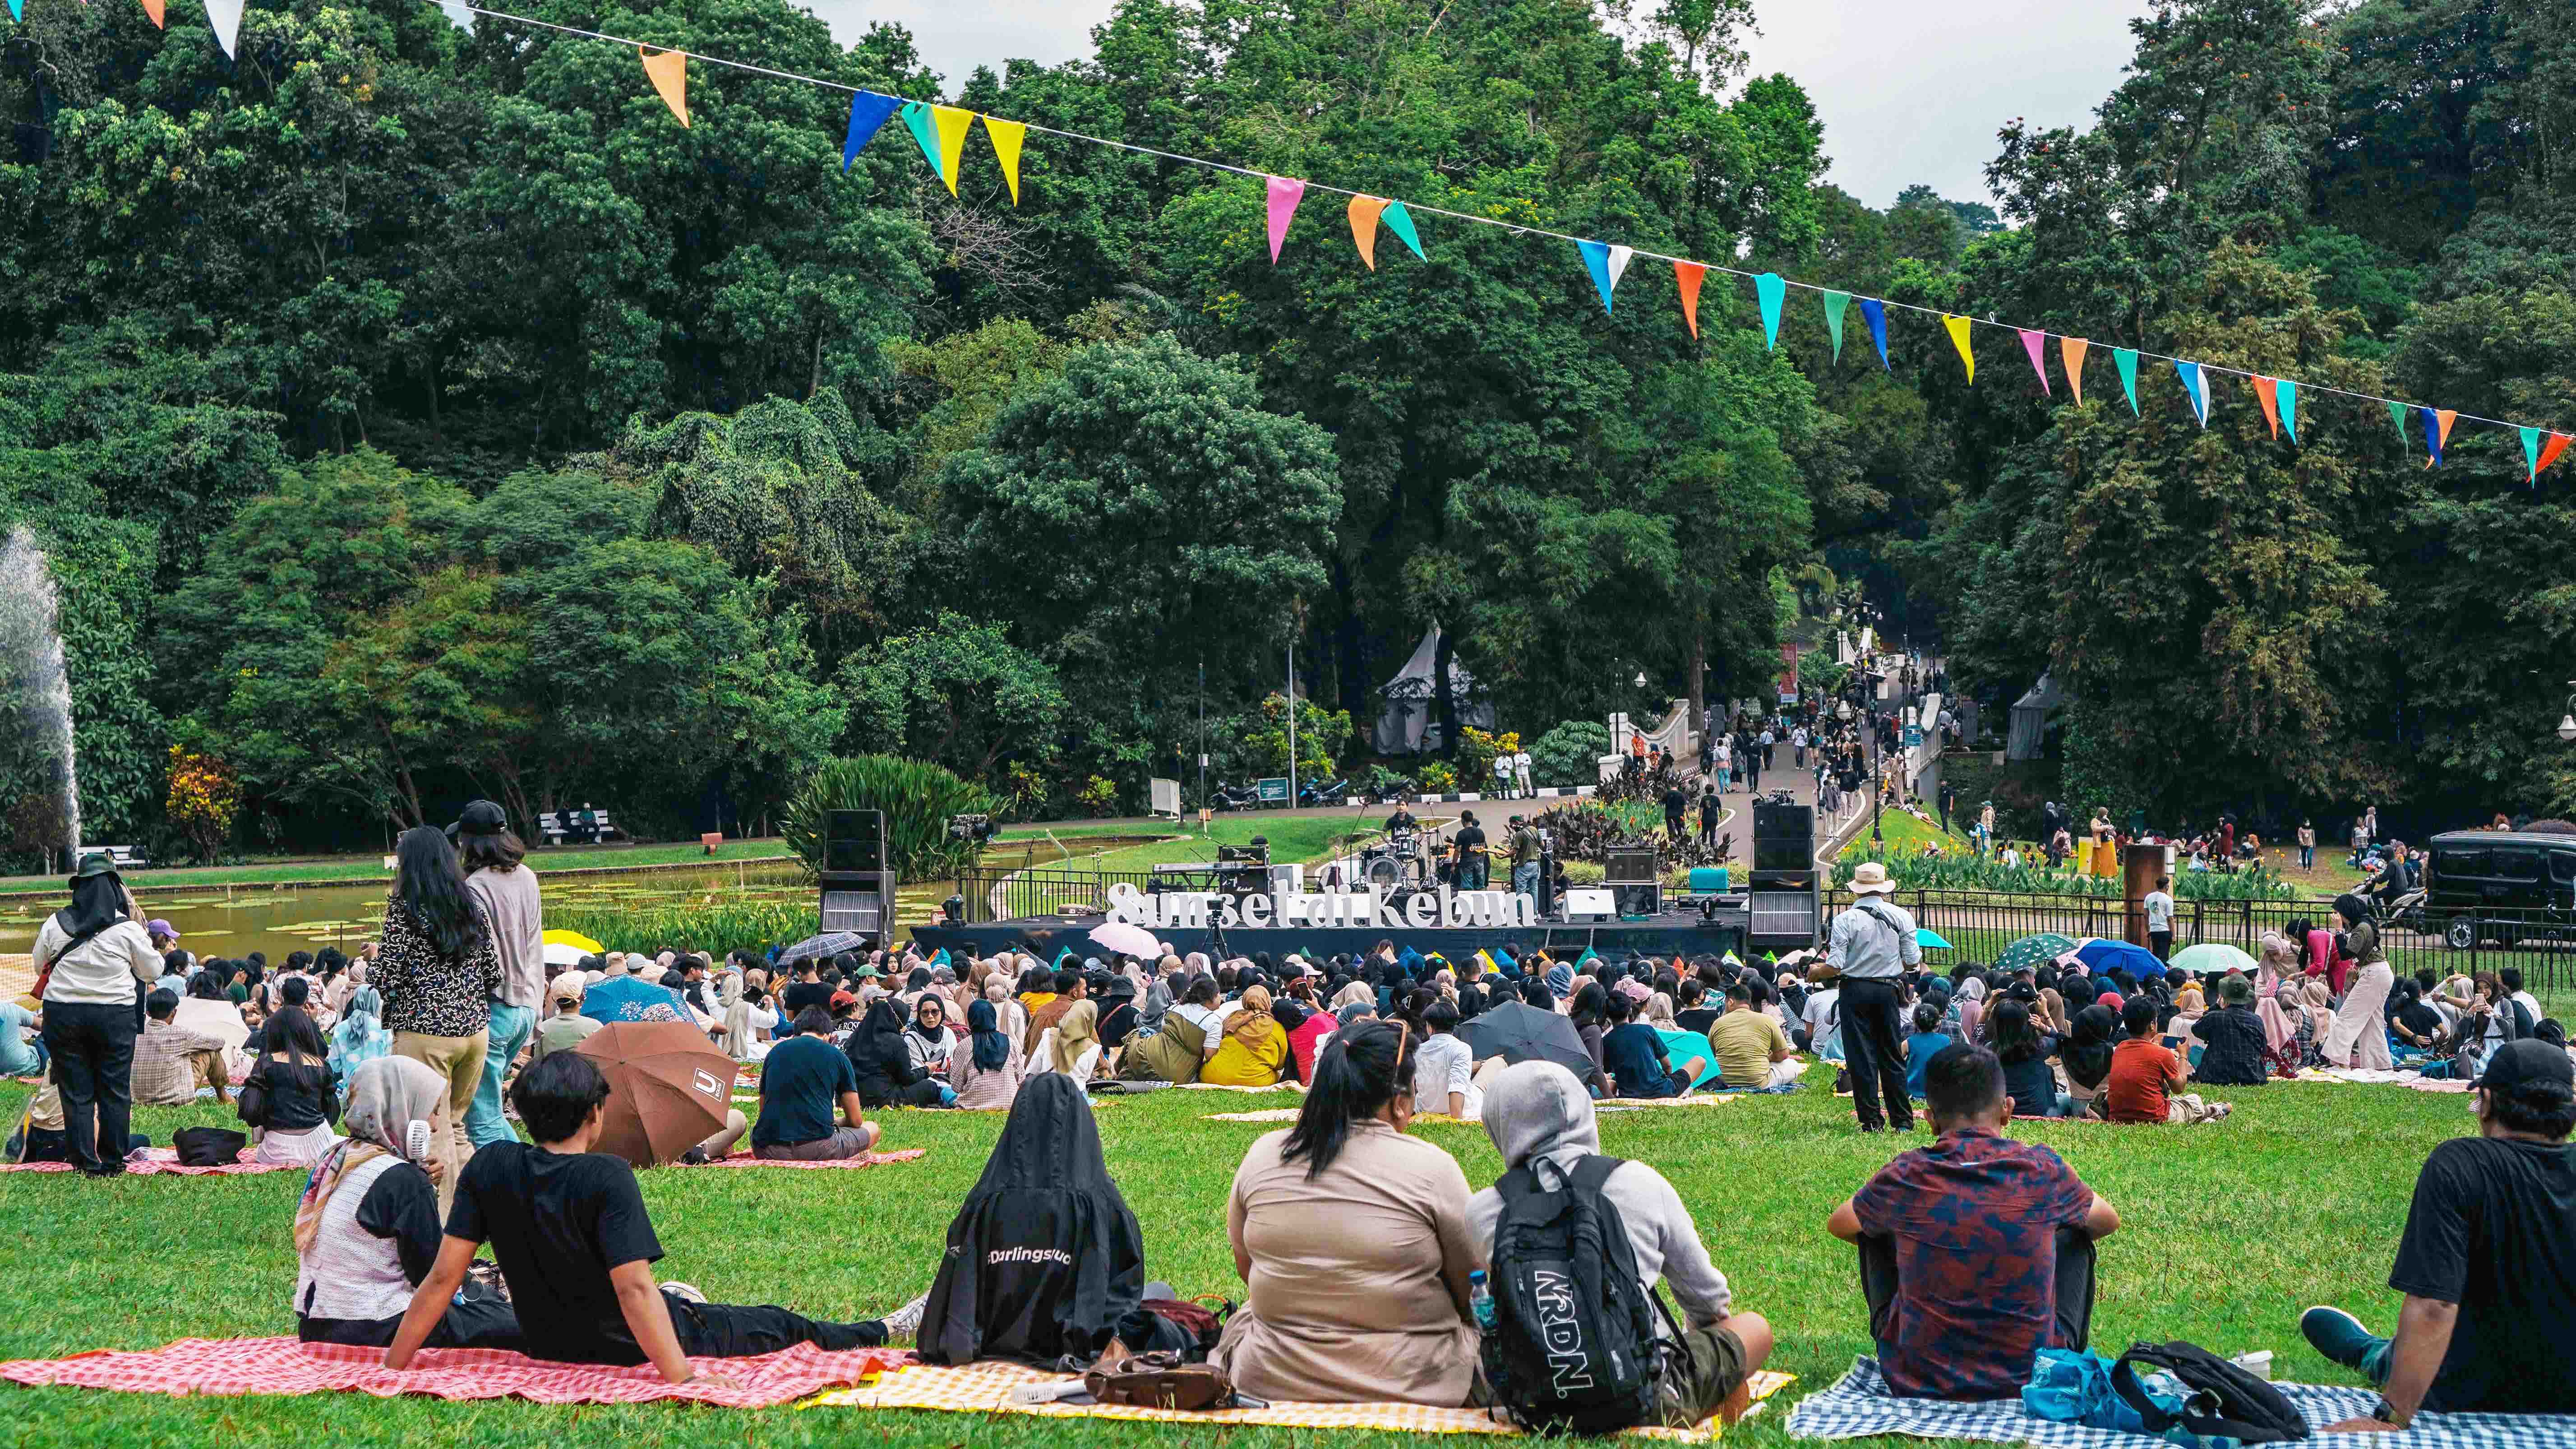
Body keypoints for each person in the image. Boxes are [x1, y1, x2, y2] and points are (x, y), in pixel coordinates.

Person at [385, 1052, 901, 1385]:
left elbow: (443, 1277)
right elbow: (633, 1289)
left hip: (546, 1340)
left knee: (684, 1301)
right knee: (776, 1323)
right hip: (623, 1344)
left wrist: (394, 1365)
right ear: (594, 1114)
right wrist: (680, 1375)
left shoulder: (491, 1164)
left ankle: (684, 1301)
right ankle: (880, 1327)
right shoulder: (606, 1176)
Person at [1468, 1062, 1776, 1427]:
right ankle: (1710, 1417)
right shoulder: (1639, 1181)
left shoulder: (1483, 1210)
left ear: (1497, 1126)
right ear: (1583, 1111)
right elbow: (1709, 1301)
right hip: (1645, 1398)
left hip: (1534, 1403)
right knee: (1753, 1327)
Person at [2297, 1039, 2576, 1426]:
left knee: (2392, 1355)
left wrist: (2392, 1416)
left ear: (2489, 1103)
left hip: (2464, 1391)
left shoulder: (2460, 1164)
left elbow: (2435, 1306)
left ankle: (2370, 1352)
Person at [1826, 1044, 2120, 1399]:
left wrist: (1910, 1241)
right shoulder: (2041, 1169)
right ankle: (2062, 1354)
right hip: (2035, 1376)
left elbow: (1841, 1223)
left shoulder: (1905, 1175)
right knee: (2076, 1234)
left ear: (1930, 1118)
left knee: (1873, 1229)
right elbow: (2106, 1220)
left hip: (1917, 1376)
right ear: (2007, 1111)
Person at [1212, 1021, 1481, 1406]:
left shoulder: (1264, 1154)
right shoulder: (1434, 1170)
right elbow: (1473, 1291)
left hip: (1271, 1377)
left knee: (1244, 1318)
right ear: (1401, 1100)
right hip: (1417, 1383)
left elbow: (1247, 1269)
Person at [917, 1074, 1154, 1366]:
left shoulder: (985, 1200)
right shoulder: (1102, 1201)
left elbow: (957, 1284)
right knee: (1159, 1295)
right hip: (1068, 1343)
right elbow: (1126, 1283)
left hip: (992, 1341)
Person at [293, 1057, 520, 1349]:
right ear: (403, 1108)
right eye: (432, 1111)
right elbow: (431, 1276)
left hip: (318, 1325)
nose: (436, 1125)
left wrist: (421, 1183)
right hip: (377, 1325)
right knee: (515, 1321)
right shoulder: (404, 1180)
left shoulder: (337, 1157)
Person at [374, 826, 503, 1212]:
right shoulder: (472, 906)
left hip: (425, 1032)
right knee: (456, 1126)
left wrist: (371, 968)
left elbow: (386, 976)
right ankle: (475, 1219)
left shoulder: (405, 910)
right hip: (475, 1033)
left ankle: (441, 1226)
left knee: (427, 1128)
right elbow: (493, 973)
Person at [32, 853, 161, 1176]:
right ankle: (113, 1161)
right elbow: (153, 969)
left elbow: (39, 965)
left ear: (78, 889)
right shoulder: (127, 929)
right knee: (115, 1090)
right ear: (114, 889)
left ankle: (85, 1162)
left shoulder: (55, 923)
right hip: (114, 1017)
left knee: (75, 1091)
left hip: (63, 1016)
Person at [453, 801, 544, 1155]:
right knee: (484, 1107)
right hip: (527, 1008)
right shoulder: (528, 876)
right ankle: (522, 1169)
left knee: (482, 1118)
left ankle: (525, 1178)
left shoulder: (474, 887)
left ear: (470, 842)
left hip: (496, 1009)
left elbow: (480, 957)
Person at [1826, 862, 1921, 1132]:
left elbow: (1835, 964)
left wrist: (1816, 973)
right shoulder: (1902, 916)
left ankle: (1871, 1120)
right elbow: (1913, 961)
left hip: (1854, 990)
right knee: (1891, 1053)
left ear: (1857, 890)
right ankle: (1902, 1120)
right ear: (1883, 889)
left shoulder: (1845, 920)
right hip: (1887, 989)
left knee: (1860, 1056)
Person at [752, 1008, 882, 1160]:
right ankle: (850, 1157)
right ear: (827, 1035)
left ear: (797, 1031)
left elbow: (764, 1111)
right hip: (819, 1148)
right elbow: (856, 1120)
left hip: (767, 1149)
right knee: (873, 1129)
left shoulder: (774, 1053)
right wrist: (837, 1121)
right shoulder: (837, 1056)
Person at [241, 1000, 343, 1165]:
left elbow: (251, 1111)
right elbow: (332, 1114)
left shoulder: (266, 1062)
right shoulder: (321, 1065)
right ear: (306, 1032)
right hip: (321, 1147)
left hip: (276, 1152)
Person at [2322, 893, 2395, 1070]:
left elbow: (2346, 954)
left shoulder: (2362, 928)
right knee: (2373, 1024)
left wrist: (2339, 930)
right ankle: (2380, 1066)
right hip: (2379, 973)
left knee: (2347, 1016)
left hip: (2374, 974)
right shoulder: (2364, 925)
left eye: (2338, 913)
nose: (2336, 917)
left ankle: (2339, 1062)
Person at [132, 987, 230, 1106]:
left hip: (140, 1099)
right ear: (174, 1013)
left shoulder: (136, 1033)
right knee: (210, 1051)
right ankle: (223, 1096)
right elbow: (218, 1043)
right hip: (173, 1099)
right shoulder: (180, 1034)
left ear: (148, 1013)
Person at [847, 997, 950, 1109]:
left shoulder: (855, 1037)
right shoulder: (896, 1042)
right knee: (930, 1087)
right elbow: (907, 1079)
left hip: (854, 1097)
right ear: (897, 1019)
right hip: (882, 1098)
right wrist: (926, 1069)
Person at [1601, 991, 1706, 1098]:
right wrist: (1667, 1078)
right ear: (1630, 1010)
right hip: (1663, 1090)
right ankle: (1683, 1092)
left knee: (1611, 1083)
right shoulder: (1646, 1030)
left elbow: (1609, 1070)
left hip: (1629, 1094)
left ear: (1608, 1016)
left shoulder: (1606, 1041)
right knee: (1700, 1060)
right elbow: (1667, 1065)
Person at [2104, 1000, 2189, 1123]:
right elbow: (2179, 1088)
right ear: (2152, 1025)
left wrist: (2153, 1042)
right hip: (2154, 1116)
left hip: (2118, 1116)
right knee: (2193, 1101)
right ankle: (2213, 1110)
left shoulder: (2120, 1048)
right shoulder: (2163, 1054)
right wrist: (2183, 1055)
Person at [1708, 981, 1799, 1089]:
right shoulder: (1767, 1020)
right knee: (1792, 1064)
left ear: (1730, 1002)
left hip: (1725, 1081)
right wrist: (1768, 1058)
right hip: (1759, 1082)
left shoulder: (1718, 1023)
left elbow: (1710, 1055)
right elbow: (1783, 1055)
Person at [1202, 984, 1290, 1087]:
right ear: (1268, 1001)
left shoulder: (1232, 1018)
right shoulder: (1277, 1027)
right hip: (1257, 1081)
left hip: (1213, 1077)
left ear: (1244, 1000)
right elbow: (1280, 1064)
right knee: (1275, 1074)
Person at [947, 998, 1025, 1111]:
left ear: (970, 1019)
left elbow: (956, 1086)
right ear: (993, 1017)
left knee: (945, 1092)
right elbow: (1022, 1080)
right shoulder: (1011, 1043)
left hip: (972, 1106)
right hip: (1010, 1105)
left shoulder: (964, 1045)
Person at [1411, 999, 1481, 1119]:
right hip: (1465, 1108)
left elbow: (1410, 1086)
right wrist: (1456, 1123)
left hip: (1425, 1109)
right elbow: (1457, 1087)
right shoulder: (1462, 1049)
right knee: (1496, 1064)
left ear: (1430, 1027)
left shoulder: (1416, 1050)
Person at [1452, 812, 1490, 891]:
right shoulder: (1480, 832)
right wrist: (1482, 861)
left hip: (1467, 863)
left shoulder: (1461, 834)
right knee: (1480, 886)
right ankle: (1481, 901)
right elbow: (1483, 849)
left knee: (1468, 887)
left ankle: (1469, 902)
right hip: (1479, 862)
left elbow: (1458, 851)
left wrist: (1453, 865)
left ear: (1463, 820)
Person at [2141, 877, 2174, 961]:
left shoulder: (2149, 897)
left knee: (2155, 954)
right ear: (2167, 886)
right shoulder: (2168, 899)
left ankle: (2156, 973)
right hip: (2165, 930)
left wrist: (2148, 930)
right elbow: (2170, 918)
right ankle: (2164, 973)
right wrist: (2174, 936)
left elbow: (2145, 915)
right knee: (2164, 955)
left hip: (2154, 931)